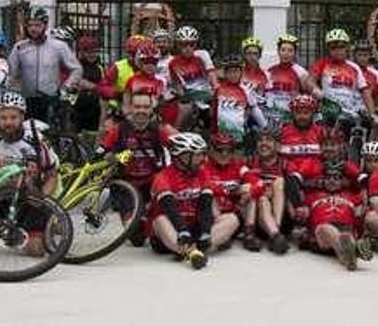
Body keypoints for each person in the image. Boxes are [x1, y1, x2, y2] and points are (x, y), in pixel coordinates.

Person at [148, 132, 237, 270]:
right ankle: (192, 252)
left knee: (232, 219)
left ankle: (196, 248)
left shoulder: (202, 173)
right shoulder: (162, 177)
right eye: (198, 154)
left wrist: (205, 232)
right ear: (183, 156)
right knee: (160, 220)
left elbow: (205, 205)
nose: (202, 158)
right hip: (172, 230)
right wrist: (183, 232)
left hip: (194, 228)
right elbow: (170, 209)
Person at [290, 127, 372, 270]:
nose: (329, 148)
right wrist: (299, 205)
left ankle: (348, 252)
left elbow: (363, 179)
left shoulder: (347, 168)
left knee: (346, 231)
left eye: (332, 144)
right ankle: (350, 251)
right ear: (320, 146)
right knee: (325, 229)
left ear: (340, 146)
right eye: (325, 144)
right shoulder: (311, 164)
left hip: (346, 224)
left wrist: (366, 201)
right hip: (322, 226)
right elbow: (293, 182)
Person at [96, 91, 178, 233]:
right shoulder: (118, 130)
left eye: (146, 107)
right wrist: (112, 157)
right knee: (136, 236)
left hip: (152, 184)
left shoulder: (159, 130)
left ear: (152, 108)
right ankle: (140, 218)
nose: (141, 110)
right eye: (137, 106)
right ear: (130, 108)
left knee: (159, 229)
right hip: (126, 185)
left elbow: (181, 148)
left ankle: (149, 216)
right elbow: (100, 154)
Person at [0, 92, 58, 197]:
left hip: (29, 194)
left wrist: (42, 198)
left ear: (22, 117)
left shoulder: (37, 138)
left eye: (13, 117)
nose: (8, 123)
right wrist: (10, 178)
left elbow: (52, 175)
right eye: (3, 118)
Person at [7, 7, 82, 124]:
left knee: (48, 135)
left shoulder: (58, 46)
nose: (33, 29)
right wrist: (13, 88)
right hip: (26, 100)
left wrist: (66, 86)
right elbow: (11, 72)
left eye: (37, 25)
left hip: (51, 99)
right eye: (30, 25)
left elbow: (76, 69)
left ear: (45, 26)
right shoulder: (19, 47)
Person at [202, 132, 264, 252]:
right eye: (220, 150)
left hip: (236, 212)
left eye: (229, 150)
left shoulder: (238, 165)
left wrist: (249, 192)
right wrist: (231, 191)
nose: (224, 154)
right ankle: (222, 234)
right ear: (211, 150)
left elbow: (260, 183)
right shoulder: (204, 167)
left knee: (249, 189)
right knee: (208, 195)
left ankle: (249, 233)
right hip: (214, 217)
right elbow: (205, 186)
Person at [306, 28, 376, 125]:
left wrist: (372, 113)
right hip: (328, 110)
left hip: (350, 113)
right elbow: (309, 81)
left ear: (347, 48)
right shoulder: (322, 63)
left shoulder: (354, 67)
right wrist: (317, 91)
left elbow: (365, 91)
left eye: (341, 47)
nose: (338, 51)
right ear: (328, 49)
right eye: (333, 48)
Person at [246, 126, 290, 254]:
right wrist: (261, 189)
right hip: (255, 216)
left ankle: (275, 229)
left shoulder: (285, 164)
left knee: (279, 182)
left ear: (277, 145)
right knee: (260, 197)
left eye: (269, 140)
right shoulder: (250, 162)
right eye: (260, 140)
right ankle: (274, 235)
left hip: (280, 216)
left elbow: (294, 190)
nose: (263, 143)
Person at [212, 55, 267, 145]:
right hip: (222, 137)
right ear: (225, 73)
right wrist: (213, 132)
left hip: (240, 136)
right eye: (230, 72)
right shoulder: (219, 90)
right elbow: (215, 112)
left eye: (236, 71)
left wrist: (265, 127)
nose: (233, 75)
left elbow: (254, 109)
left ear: (241, 72)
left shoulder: (246, 90)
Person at [167, 26, 213, 129]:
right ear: (178, 45)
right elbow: (176, 84)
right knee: (183, 112)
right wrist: (181, 95)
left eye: (191, 44)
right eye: (183, 44)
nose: (188, 48)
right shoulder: (173, 63)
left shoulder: (201, 57)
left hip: (205, 95)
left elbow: (211, 75)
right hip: (189, 97)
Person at [264, 33, 308, 126]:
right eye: (283, 50)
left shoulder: (301, 72)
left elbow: (308, 95)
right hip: (270, 118)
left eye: (290, 50)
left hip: (290, 119)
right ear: (278, 51)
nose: (286, 53)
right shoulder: (270, 70)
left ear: (295, 53)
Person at [122, 40, 166, 114]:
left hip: (152, 115)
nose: (150, 65)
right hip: (133, 115)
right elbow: (126, 101)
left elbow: (157, 102)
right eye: (146, 62)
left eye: (153, 62)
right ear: (140, 63)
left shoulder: (160, 81)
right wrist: (128, 114)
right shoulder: (132, 80)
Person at [74, 36, 104, 131]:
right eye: (89, 52)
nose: (92, 55)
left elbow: (104, 87)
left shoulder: (99, 68)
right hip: (76, 111)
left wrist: (92, 87)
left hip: (95, 110)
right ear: (82, 52)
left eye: (95, 52)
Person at [240, 36, 270, 102]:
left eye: (255, 53)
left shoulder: (266, 74)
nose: (252, 57)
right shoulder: (239, 73)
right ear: (244, 55)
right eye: (249, 53)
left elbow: (269, 95)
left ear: (260, 55)